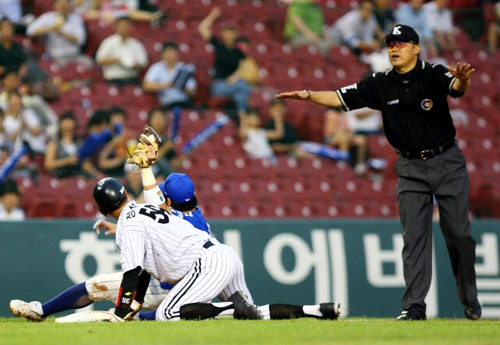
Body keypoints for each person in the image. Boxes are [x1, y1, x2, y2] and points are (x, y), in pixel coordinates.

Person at [277, 24, 481, 321]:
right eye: (391, 44)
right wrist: (308, 95)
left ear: (416, 47)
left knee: (459, 235)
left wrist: (462, 80)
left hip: (446, 161)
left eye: (401, 43)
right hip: (410, 167)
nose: (394, 48)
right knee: (414, 238)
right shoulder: (380, 83)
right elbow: (339, 97)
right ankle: (414, 307)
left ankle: (469, 298)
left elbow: (456, 88)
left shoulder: (433, 73)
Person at [198, 7, 251, 115]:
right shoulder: (219, 46)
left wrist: (234, 77)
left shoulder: (239, 52)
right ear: (222, 33)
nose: (229, 34)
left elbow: (243, 67)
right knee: (243, 87)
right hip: (219, 84)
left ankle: (243, 120)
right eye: (226, 31)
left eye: (231, 31)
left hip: (233, 84)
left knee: (240, 95)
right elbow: (202, 28)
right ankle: (248, 113)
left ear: (236, 34)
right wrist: (213, 16)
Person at [26, 0, 91, 67]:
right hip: (56, 57)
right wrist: (50, 29)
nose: (63, 6)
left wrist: (62, 33)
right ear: (55, 5)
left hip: (75, 55)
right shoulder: (48, 17)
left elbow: (81, 40)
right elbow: (30, 31)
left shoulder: (76, 18)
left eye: (65, 4)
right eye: (60, 3)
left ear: (69, 5)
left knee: (88, 63)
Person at [44, 111, 100, 178]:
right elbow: (48, 164)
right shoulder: (54, 143)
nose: (68, 124)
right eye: (65, 121)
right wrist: (68, 161)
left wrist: (98, 175)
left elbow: (87, 164)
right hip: (61, 176)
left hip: (79, 176)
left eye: (70, 121)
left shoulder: (80, 143)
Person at [143, 42, 197, 109]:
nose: (169, 56)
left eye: (172, 53)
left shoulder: (184, 68)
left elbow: (193, 92)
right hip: (166, 104)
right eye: (167, 53)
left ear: (177, 54)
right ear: (162, 54)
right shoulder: (156, 68)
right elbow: (146, 85)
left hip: (184, 103)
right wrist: (167, 85)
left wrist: (181, 86)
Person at [96, 16, 148, 85]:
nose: (124, 28)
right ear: (116, 27)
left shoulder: (137, 44)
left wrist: (133, 64)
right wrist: (118, 60)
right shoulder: (108, 42)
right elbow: (99, 60)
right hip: (114, 79)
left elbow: (143, 63)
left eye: (127, 25)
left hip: (132, 78)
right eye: (122, 26)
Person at [323, 108, 368, 176]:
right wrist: (342, 133)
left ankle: (360, 164)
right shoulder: (330, 114)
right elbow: (330, 131)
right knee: (343, 138)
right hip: (332, 138)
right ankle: (342, 162)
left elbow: (351, 129)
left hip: (345, 135)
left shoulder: (345, 114)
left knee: (361, 140)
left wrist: (349, 134)